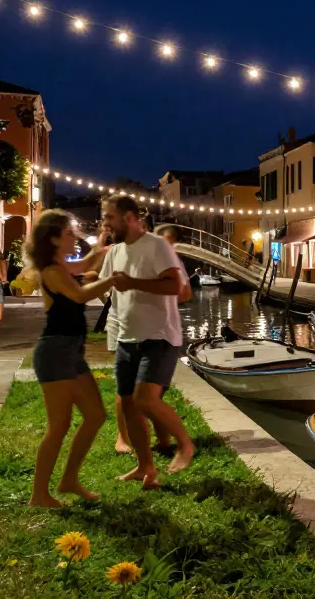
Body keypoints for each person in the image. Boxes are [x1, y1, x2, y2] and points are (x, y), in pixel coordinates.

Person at [99, 196, 194, 489]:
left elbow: (175, 286)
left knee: (144, 400)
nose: (105, 223)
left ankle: (185, 445)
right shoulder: (114, 251)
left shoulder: (157, 246)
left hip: (159, 335)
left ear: (129, 217)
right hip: (127, 335)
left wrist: (134, 283)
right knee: (129, 406)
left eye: (109, 217)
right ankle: (146, 468)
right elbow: (106, 285)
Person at [26, 210, 116, 507]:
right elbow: (79, 296)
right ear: (53, 238)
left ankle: (69, 480)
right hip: (55, 352)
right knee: (59, 425)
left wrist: (104, 244)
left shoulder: (62, 265)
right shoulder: (52, 270)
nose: (73, 237)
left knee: (95, 416)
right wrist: (113, 280)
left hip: (70, 351)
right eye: (68, 233)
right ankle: (39, 495)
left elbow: (90, 263)